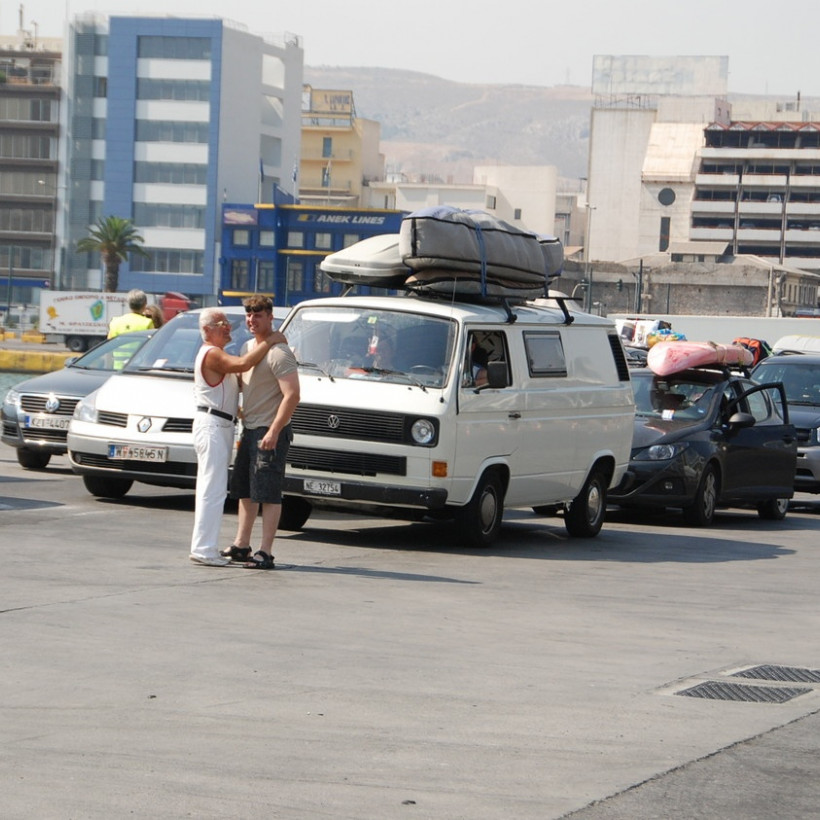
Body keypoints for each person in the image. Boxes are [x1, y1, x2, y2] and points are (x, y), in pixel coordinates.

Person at [190, 309, 285, 567]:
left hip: (220, 424)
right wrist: (271, 340)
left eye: (228, 323)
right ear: (207, 330)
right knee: (212, 490)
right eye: (221, 324)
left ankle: (205, 546)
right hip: (213, 425)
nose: (228, 328)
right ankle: (204, 549)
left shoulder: (218, 354)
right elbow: (244, 365)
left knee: (214, 488)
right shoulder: (212, 354)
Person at [224, 295, 300, 570]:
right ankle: (242, 545)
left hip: (269, 431)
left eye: (258, 315)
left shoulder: (279, 353)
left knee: (268, 493)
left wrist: (275, 431)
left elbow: (292, 396)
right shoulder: (248, 347)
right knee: (245, 490)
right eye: (249, 315)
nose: (252, 320)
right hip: (251, 428)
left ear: (271, 317)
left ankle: (265, 552)